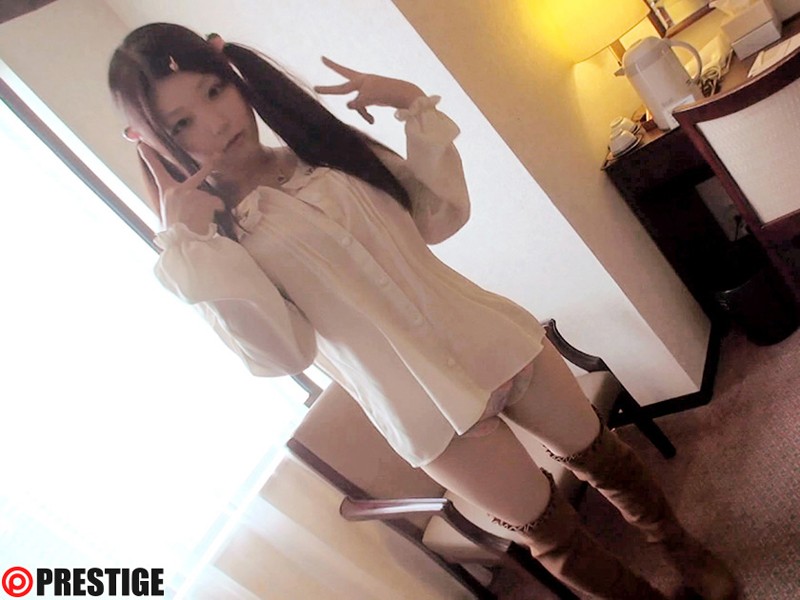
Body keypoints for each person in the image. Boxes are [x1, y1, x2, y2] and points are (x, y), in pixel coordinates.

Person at [108, 23, 737, 600]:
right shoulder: (216, 245)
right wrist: (192, 249)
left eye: (214, 90)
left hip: (494, 340)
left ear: (232, 75)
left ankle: (689, 557)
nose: (217, 123)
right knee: (553, 536)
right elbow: (284, 353)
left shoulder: (319, 149)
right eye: (182, 123)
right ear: (150, 141)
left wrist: (410, 103)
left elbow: (438, 217)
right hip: (425, 412)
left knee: (605, 458)